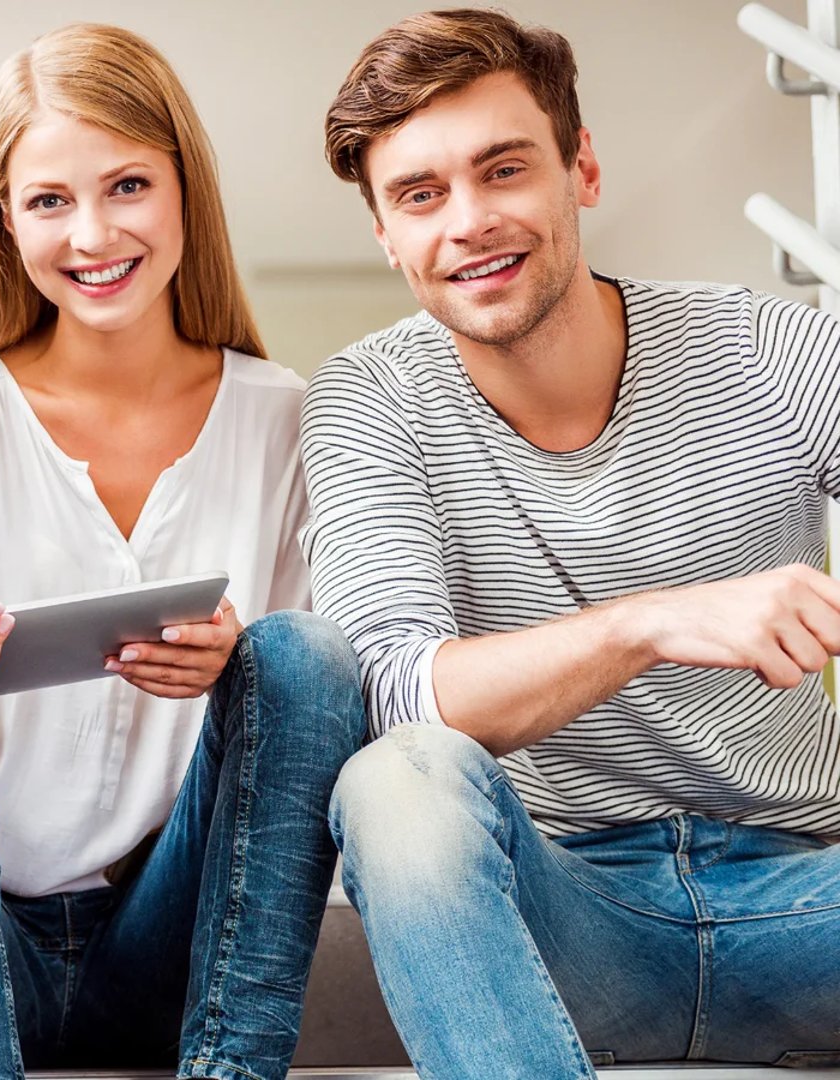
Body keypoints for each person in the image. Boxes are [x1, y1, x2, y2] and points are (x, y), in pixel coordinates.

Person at [304, 9, 840, 1076]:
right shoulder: (370, 400)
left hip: (810, 893)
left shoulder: (778, 349)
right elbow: (397, 693)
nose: (468, 222)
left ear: (580, 168)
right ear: (384, 234)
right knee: (393, 777)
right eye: (420, 195)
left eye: (504, 170)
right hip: (562, 918)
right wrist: (654, 621)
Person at [0, 24, 366, 1080]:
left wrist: (239, 674)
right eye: (49, 201)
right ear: (6, 219)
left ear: (185, 190)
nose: (92, 234)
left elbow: (310, 728)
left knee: (306, 655)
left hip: (172, 938)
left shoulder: (282, 417)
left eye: (127, 184)